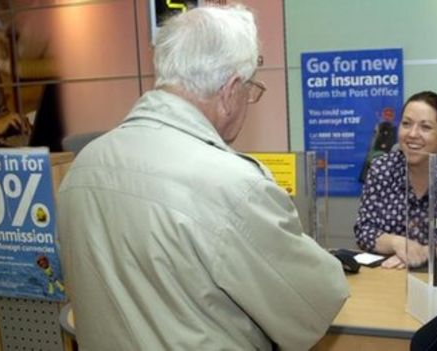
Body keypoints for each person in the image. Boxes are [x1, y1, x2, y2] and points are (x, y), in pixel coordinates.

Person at [57, 5, 348, 351]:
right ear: (230, 91)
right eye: (251, 89)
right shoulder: (234, 186)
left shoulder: (83, 167)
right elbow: (315, 303)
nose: (248, 101)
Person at [354, 91, 437, 269]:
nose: (413, 134)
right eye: (406, 124)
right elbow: (363, 231)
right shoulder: (382, 169)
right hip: (390, 275)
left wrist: (426, 252)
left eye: (425, 127)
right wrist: (397, 243)